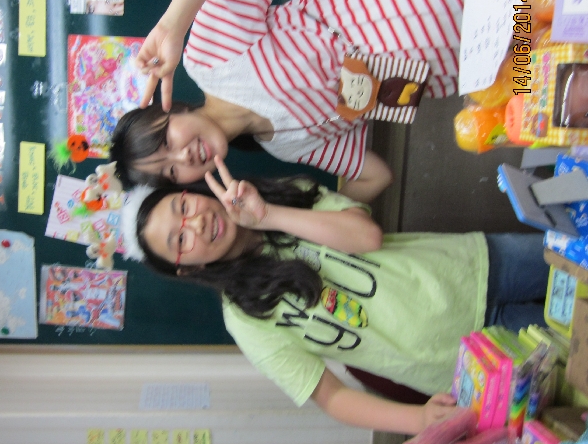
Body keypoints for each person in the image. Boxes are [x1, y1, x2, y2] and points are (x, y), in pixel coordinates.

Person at [118, 156, 550, 435]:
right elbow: (329, 395)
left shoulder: (279, 195)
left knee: (576, 261)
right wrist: (418, 418)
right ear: (187, 268)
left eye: (183, 208)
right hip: (474, 358)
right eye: (179, 240)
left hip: (477, 266)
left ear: (190, 193)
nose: (194, 224)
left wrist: (268, 216)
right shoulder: (246, 319)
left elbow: (366, 236)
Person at [110, 0, 468, 203]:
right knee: (508, 72)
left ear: (170, 112)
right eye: (172, 173)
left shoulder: (210, 61)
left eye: (167, 144)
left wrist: (172, 25)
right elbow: (377, 176)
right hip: (457, 64)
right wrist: (303, 219)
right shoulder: (287, 145)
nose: (183, 158)